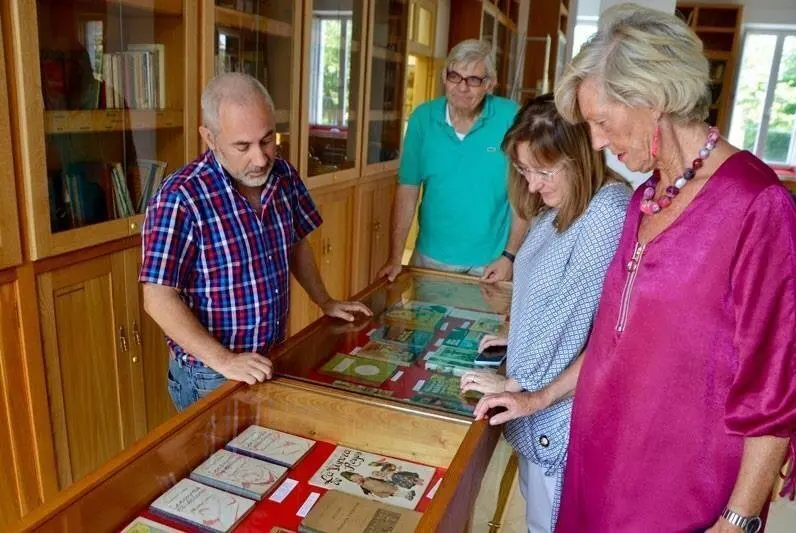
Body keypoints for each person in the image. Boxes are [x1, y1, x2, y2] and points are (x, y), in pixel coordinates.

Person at [475, 5, 796, 532]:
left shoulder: (756, 206)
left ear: (655, 98)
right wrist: (535, 397)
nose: (597, 142)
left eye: (602, 122)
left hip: (676, 491)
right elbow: (611, 339)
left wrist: (738, 518)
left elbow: (775, 389)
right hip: (595, 461)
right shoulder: (644, 199)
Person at [141, 73, 371, 411]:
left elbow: (296, 243)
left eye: (267, 140)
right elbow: (158, 298)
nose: (261, 158)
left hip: (271, 354)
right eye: (242, 146)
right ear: (209, 138)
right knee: (219, 465)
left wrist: (325, 301)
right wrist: (225, 360)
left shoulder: (283, 174)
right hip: (211, 372)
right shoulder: (180, 197)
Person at [462, 94, 630, 532]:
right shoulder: (564, 204)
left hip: (560, 417)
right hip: (540, 410)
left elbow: (572, 320)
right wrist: (515, 339)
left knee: (549, 522)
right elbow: (548, 299)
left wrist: (516, 383)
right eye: (523, 171)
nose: (532, 185)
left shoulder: (606, 211)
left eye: (542, 170)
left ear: (577, 157)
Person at [377, 39, 525, 283]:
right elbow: (408, 190)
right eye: (455, 76)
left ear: (490, 84)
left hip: (491, 263)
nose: (462, 87)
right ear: (444, 77)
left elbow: (522, 194)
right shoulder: (422, 119)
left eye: (474, 80)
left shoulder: (512, 117)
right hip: (430, 259)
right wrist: (395, 257)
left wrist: (509, 256)